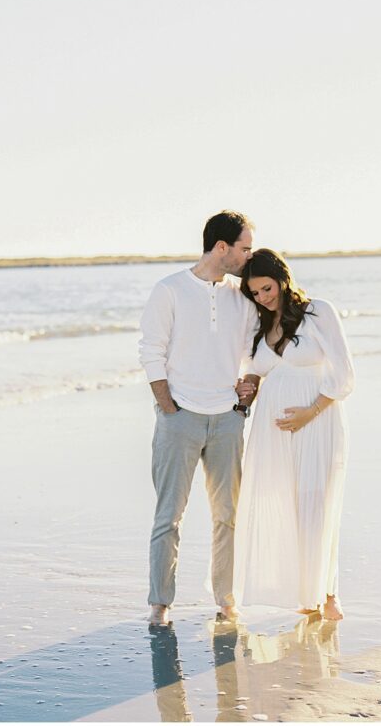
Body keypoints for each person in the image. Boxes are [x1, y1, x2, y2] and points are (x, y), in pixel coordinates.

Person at [138, 210, 261, 627]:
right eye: (244, 248)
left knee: (227, 514)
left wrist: (248, 390)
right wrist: (168, 407)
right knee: (168, 515)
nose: (249, 255)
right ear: (221, 247)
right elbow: (151, 350)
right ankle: (160, 602)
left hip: (227, 420)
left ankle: (226, 598)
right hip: (181, 418)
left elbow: (250, 351)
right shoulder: (169, 290)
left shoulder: (241, 297)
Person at [232, 248, 355, 620]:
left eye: (267, 289)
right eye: (255, 293)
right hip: (273, 433)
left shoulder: (318, 312)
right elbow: (258, 369)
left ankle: (328, 593)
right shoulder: (260, 325)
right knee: (285, 504)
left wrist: (310, 412)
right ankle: (304, 592)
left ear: (283, 280)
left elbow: (345, 374)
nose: (263, 298)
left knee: (317, 502)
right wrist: (249, 384)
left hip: (318, 421)